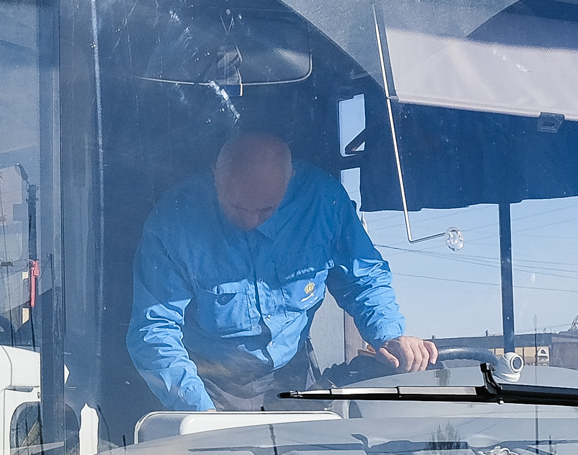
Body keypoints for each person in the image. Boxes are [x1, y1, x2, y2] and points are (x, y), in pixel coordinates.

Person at [126, 130, 437, 412]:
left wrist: (389, 336)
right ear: (214, 178)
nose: (250, 221)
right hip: (207, 379)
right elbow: (154, 331)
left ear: (290, 180)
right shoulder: (173, 221)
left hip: (294, 372)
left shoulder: (323, 201)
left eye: (265, 210)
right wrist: (199, 413)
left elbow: (364, 279)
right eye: (237, 208)